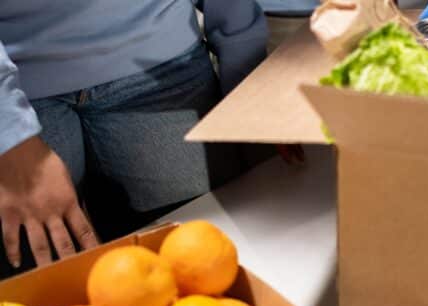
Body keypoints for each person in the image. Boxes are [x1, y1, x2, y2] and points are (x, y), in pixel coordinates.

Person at [0, 0, 277, 278]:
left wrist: (246, 65)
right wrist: (10, 134)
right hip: (15, 83)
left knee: (216, 265)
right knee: (36, 282)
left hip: (158, 56)